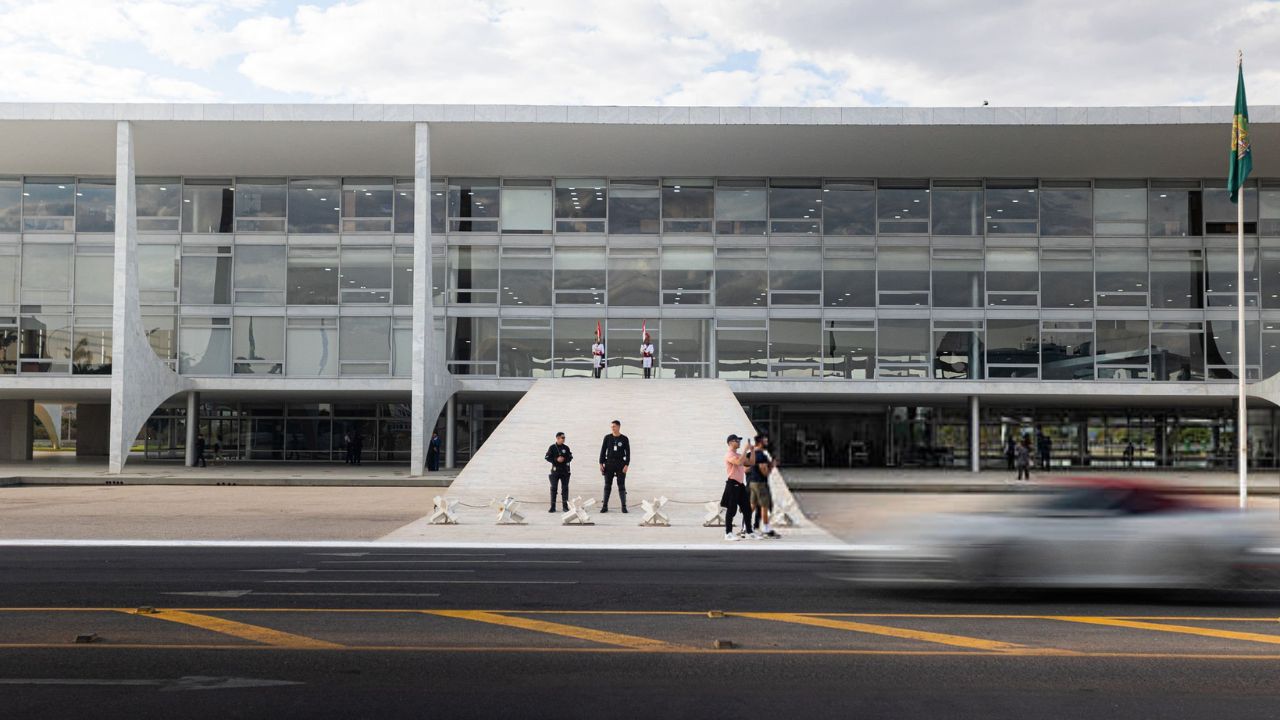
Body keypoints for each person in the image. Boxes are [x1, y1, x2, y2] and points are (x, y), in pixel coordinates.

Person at [748, 434, 780, 539]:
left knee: (752, 505)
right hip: (761, 483)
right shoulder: (761, 455)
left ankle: (746, 527)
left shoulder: (751, 453)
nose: (767, 443)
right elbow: (765, 473)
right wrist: (772, 466)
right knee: (764, 506)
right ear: (760, 442)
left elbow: (745, 469)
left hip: (752, 482)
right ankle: (766, 529)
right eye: (765, 441)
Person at [721, 435, 751, 541]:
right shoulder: (729, 455)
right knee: (731, 509)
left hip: (741, 484)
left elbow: (749, 463)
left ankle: (749, 532)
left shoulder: (738, 454)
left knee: (747, 508)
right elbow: (738, 462)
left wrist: (752, 451)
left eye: (739, 440)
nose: (738, 442)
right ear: (730, 443)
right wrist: (745, 450)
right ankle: (728, 533)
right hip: (732, 483)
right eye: (736, 440)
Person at [599, 420, 630, 513]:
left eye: (614, 426)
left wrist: (626, 465)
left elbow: (628, 453)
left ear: (619, 427)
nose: (612, 428)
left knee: (621, 486)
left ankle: (624, 506)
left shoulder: (624, 439)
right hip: (609, 464)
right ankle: (605, 506)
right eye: (611, 426)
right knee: (607, 485)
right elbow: (603, 451)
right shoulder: (607, 438)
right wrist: (601, 464)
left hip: (620, 464)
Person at [545, 431, 573, 513]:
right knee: (553, 489)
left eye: (564, 438)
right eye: (562, 438)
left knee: (565, 489)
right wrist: (556, 459)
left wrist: (564, 459)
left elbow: (570, 457)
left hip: (565, 471)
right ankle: (552, 507)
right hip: (555, 471)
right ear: (557, 438)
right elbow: (547, 457)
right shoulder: (552, 447)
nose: (564, 439)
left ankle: (565, 507)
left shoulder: (566, 448)